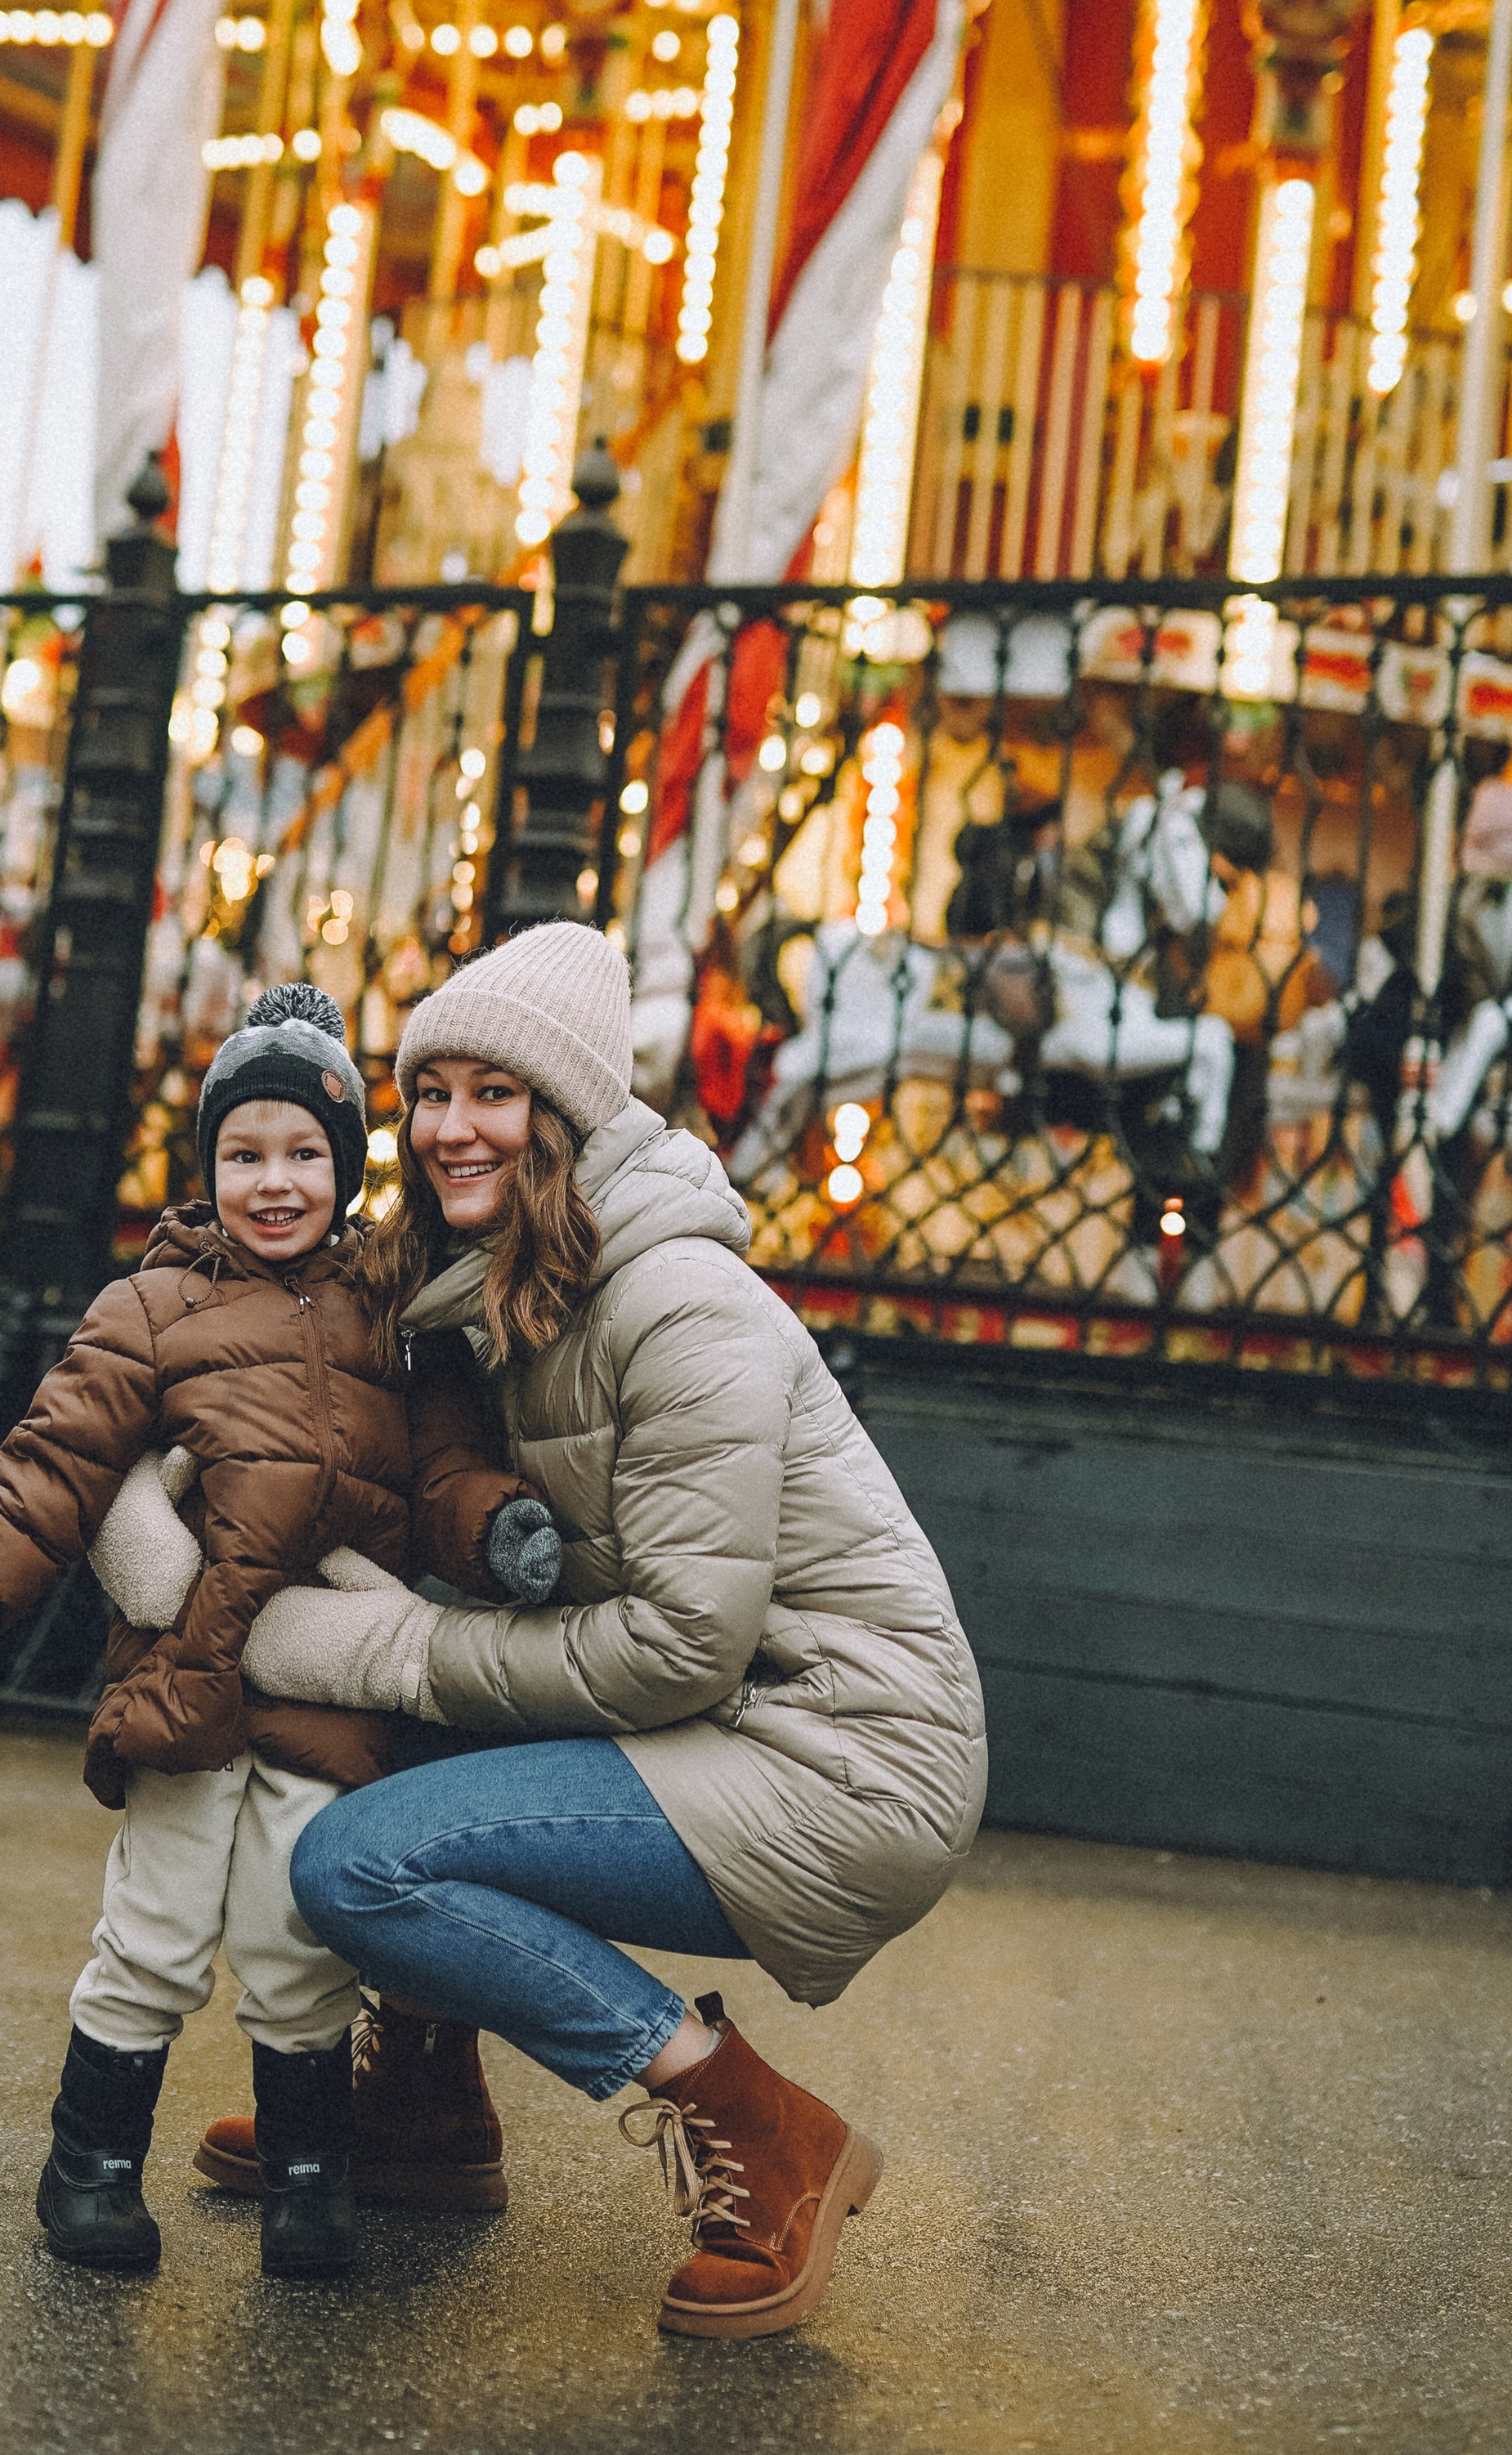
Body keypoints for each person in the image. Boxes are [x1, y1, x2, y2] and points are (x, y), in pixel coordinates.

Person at [223, 922, 988, 2341]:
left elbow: (681, 1643)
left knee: (363, 1864)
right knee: (398, 1747)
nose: (454, 1127)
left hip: (841, 1761)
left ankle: (761, 2127)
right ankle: (427, 2107)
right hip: (729, 1727)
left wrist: (388, 1652)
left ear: (566, 1118)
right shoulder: (510, 1285)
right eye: (431, 1091)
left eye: (494, 1094)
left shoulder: (680, 1304)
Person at [0, 984, 557, 2281]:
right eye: (245, 1154)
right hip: (187, 1678)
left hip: (323, 1693)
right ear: (208, 1167)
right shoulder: (149, 1308)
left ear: (348, 1162)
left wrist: (499, 1529)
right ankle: (90, 2167)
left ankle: (311, 2183)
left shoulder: (396, 1316)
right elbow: (59, 1458)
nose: (276, 1183)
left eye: (306, 1153)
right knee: (153, 1934)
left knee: (293, 1941)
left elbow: (441, 1472)